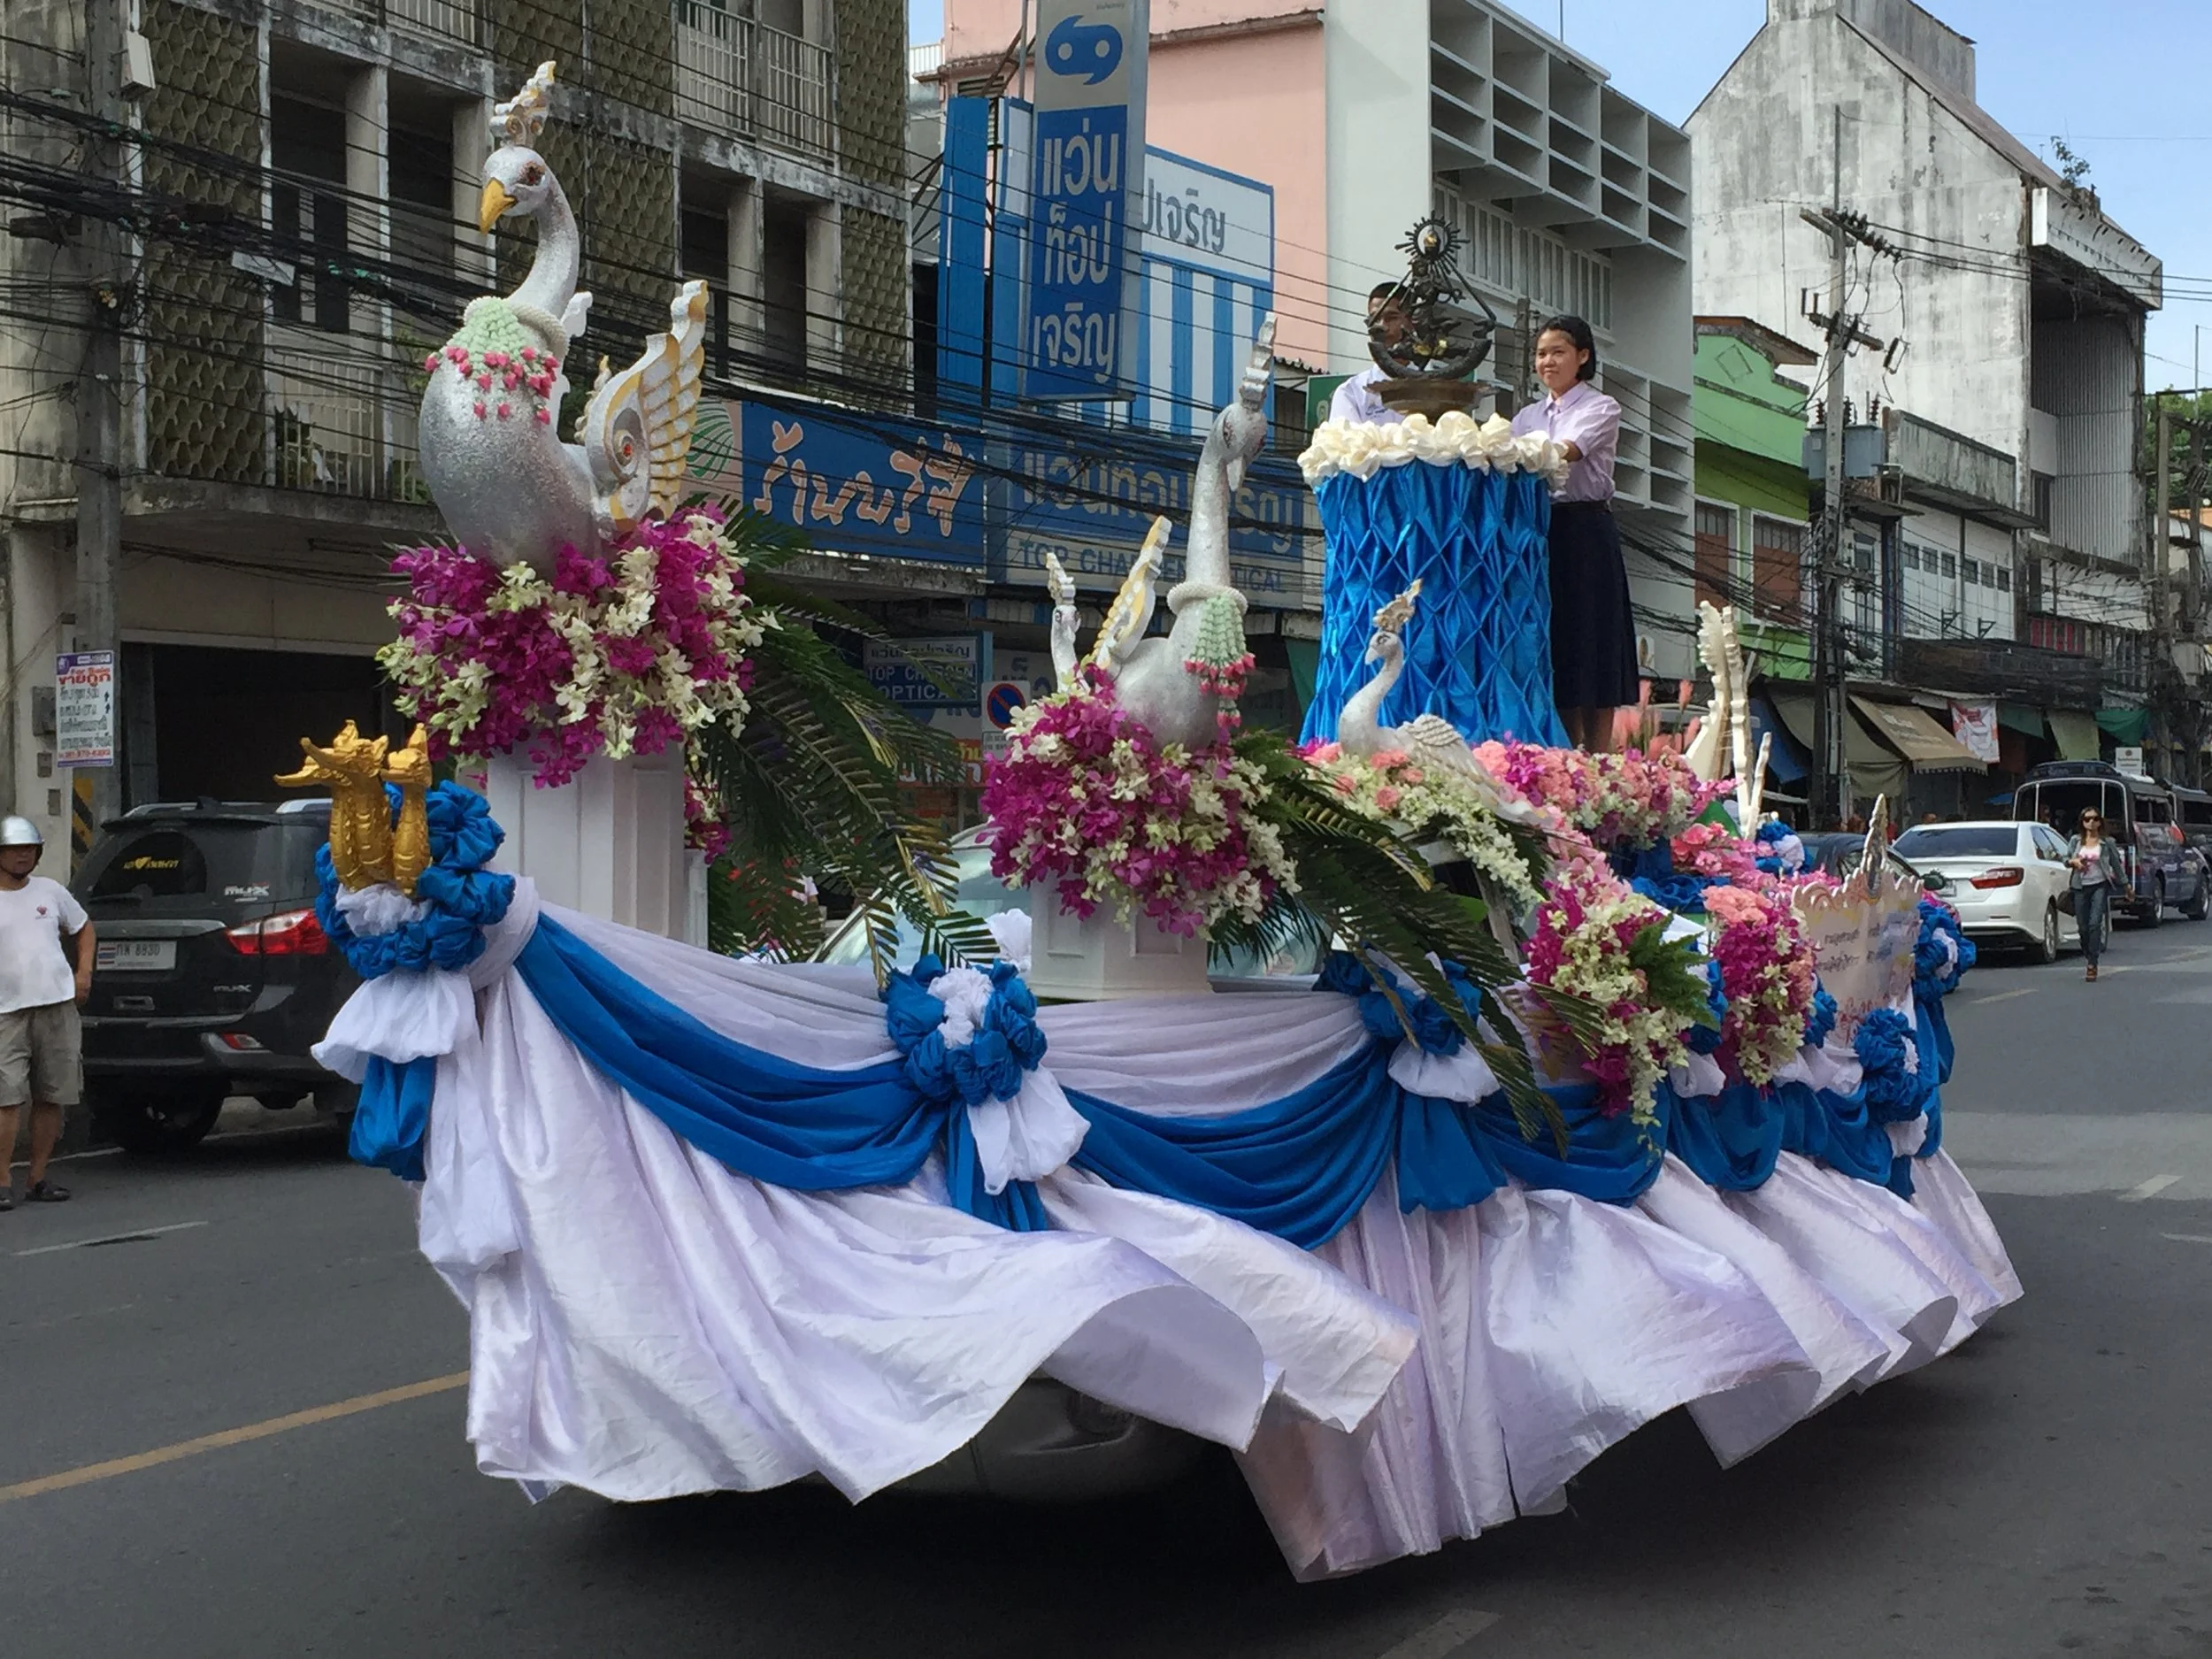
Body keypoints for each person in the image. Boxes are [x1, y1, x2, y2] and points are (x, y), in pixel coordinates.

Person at [1509, 314, 1636, 751]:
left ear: (1583, 357)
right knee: (1558, 643)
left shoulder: (1602, 407)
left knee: (1595, 642)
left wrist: (1518, 453)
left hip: (1586, 531)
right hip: (1540, 533)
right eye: (1541, 354)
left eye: (1558, 352)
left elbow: (1569, 451)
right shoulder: (1526, 416)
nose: (1548, 361)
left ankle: (1600, 758)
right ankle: (1566, 754)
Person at [0, 815, 90, 1206]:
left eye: (29, 849)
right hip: (6, 1011)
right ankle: (1, 1181)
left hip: (57, 1005)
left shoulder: (51, 891)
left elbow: (85, 927)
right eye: (14, 850)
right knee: (6, 1099)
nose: (22, 856)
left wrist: (83, 973)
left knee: (52, 1095)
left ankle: (37, 1178)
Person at [1326, 284, 1413, 427]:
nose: (1382, 326)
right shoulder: (1351, 393)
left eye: (1391, 318)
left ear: (1411, 322)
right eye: (1375, 320)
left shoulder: (1435, 388)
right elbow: (1348, 447)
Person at [2067, 807, 2124, 983]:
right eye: (2087, 819)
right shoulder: (2076, 841)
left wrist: (2127, 885)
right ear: (2082, 822)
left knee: (2094, 924)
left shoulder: (2107, 843)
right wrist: (2074, 861)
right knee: (2082, 927)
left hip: (2099, 885)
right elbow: (2065, 859)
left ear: (2100, 822)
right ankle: (2089, 952)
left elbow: (2116, 864)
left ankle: (2092, 963)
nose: (2091, 822)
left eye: (2094, 819)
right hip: (2079, 886)